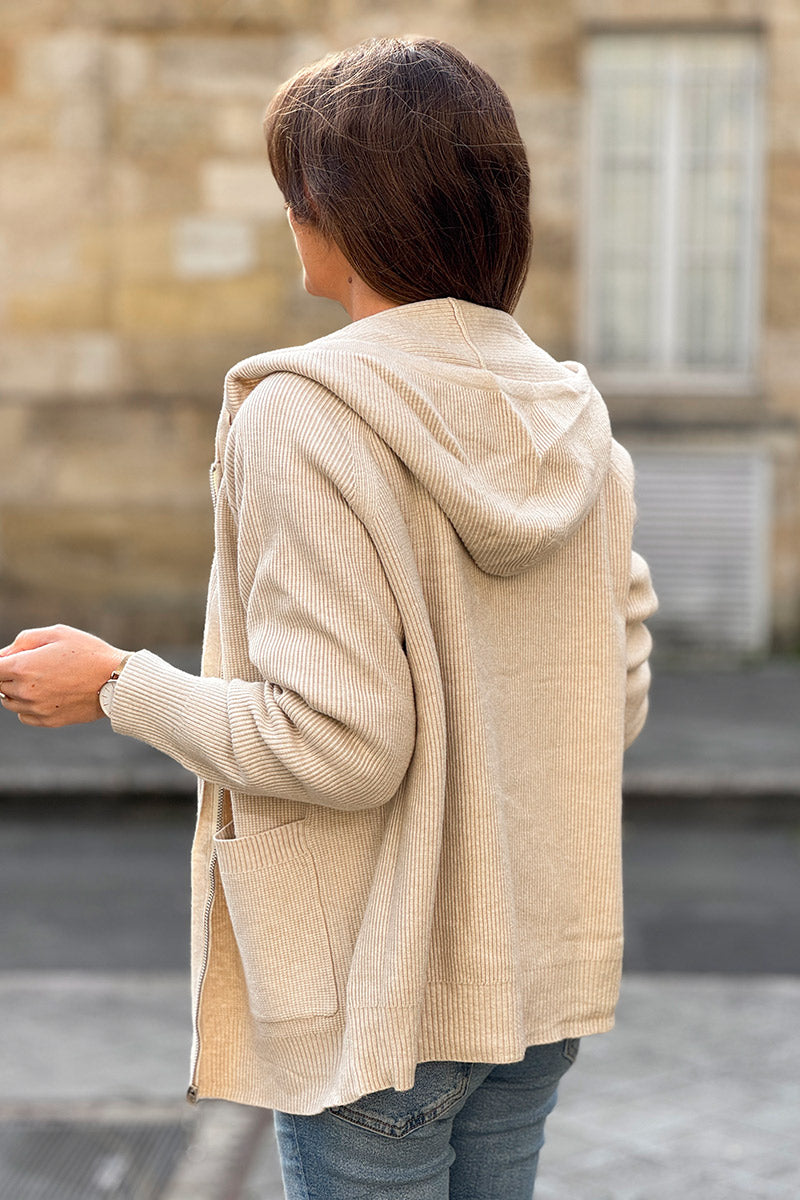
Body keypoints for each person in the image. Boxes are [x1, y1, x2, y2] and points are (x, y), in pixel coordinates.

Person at [0, 36, 657, 1200]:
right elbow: (617, 689)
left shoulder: (301, 418)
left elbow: (343, 744)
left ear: (332, 216)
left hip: (384, 997)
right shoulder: (571, 420)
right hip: (537, 979)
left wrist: (114, 682)